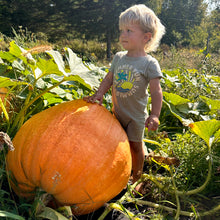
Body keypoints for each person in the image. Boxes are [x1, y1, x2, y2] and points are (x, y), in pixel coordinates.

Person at [84, 4, 165, 191]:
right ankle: (119, 173)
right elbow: (109, 79)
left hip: (136, 116)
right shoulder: (119, 58)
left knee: (135, 147)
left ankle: (137, 178)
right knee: (116, 145)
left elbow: (156, 92)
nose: (123, 35)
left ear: (146, 37)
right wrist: (99, 95)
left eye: (129, 30)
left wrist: (154, 115)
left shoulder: (149, 63)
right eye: (122, 30)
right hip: (117, 112)